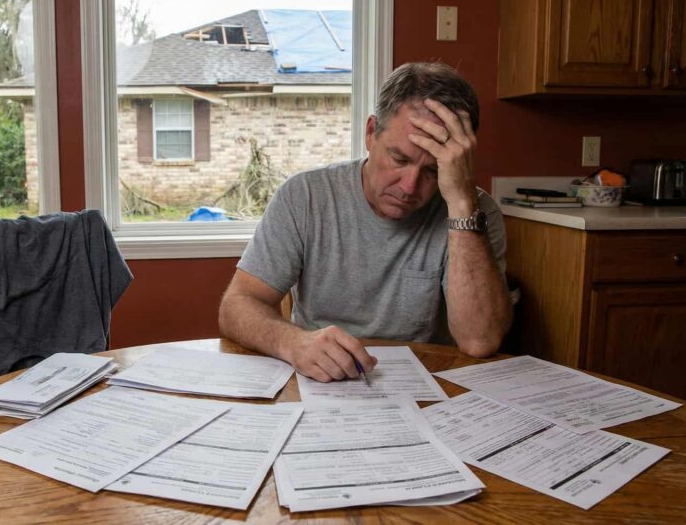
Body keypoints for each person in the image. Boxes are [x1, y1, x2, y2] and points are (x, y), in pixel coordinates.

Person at [218, 62, 512, 383]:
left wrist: (461, 202)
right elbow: (238, 305)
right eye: (399, 159)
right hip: (320, 378)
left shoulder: (475, 211)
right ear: (371, 132)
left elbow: (479, 341)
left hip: (425, 380)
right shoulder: (305, 196)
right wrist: (293, 341)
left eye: (433, 171)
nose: (409, 187)